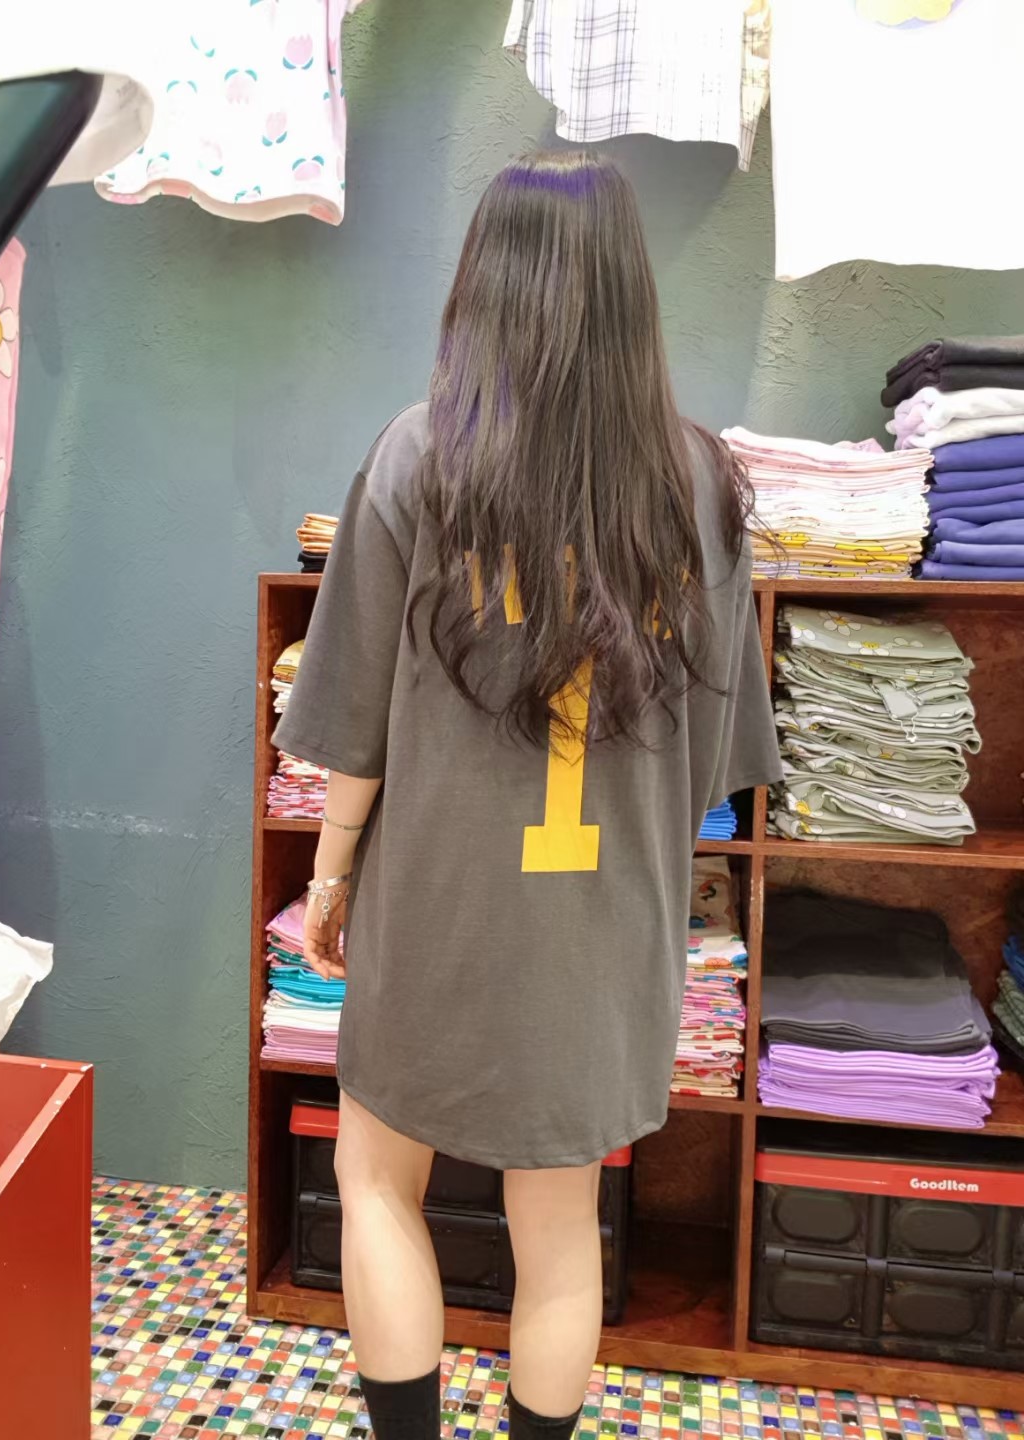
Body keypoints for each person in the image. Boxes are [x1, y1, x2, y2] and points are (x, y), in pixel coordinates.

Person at [273, 150, 782, 1440]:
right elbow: (714, 759)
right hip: (608, 921)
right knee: (559, 1227)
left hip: (440, 904)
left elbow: (355, 723)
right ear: (631, 289)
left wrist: (329, 880)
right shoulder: (702, 483)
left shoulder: (416, 456)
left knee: (375, 1180)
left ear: (482, 280)